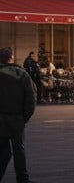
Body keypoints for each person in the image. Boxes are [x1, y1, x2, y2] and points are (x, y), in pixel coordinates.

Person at [0, 48, 36, 181]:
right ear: (11, 58)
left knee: (3, 151)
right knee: (19, 150)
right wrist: (24, 117)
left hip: (1, 119)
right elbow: (31, 99)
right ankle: (22, 178)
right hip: (17, 119)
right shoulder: (22, 74)